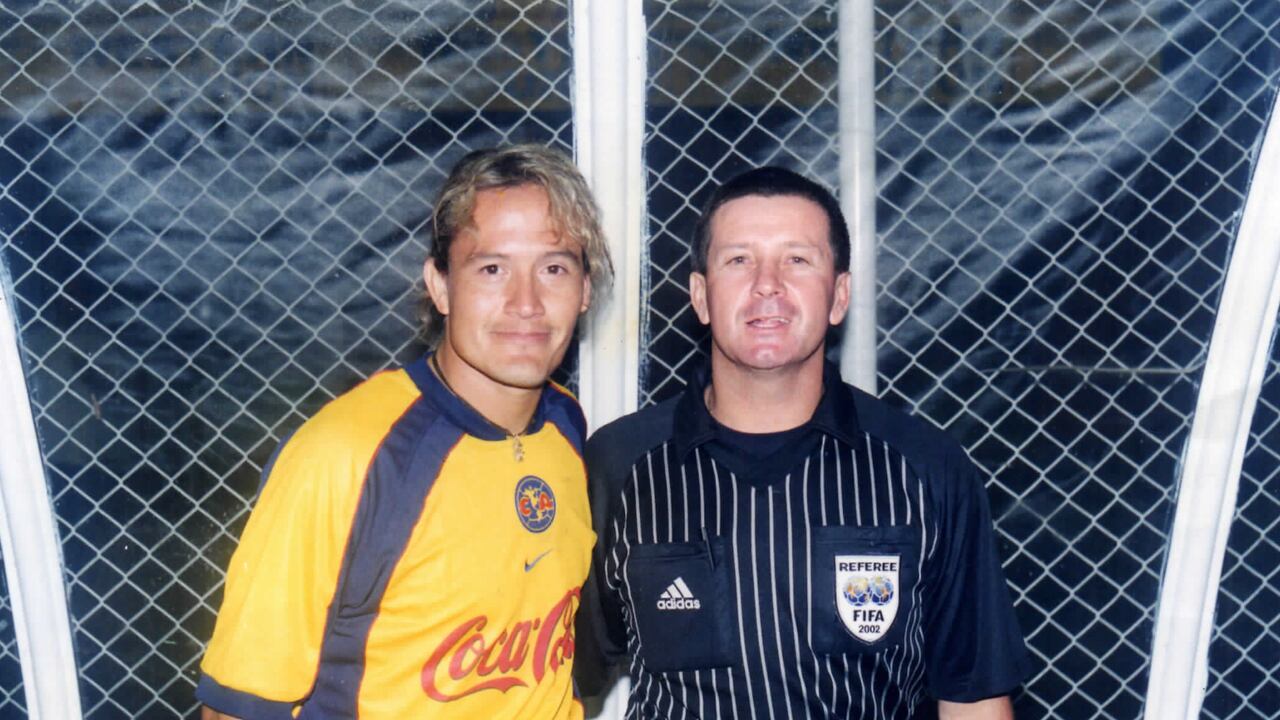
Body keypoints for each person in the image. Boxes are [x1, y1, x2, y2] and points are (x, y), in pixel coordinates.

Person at [576, 167, 1031, 719]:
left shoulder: (925, 470)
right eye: (739, 259)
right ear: (700, 296)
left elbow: (974, 700)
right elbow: (560, 676)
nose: (767, 283)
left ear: (839, 295)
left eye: (797, 259)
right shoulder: (620, 466)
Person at [197, 144, 612, 719]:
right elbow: (236, 709)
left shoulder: (565, 426)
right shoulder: (345, 455)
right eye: (492, 269)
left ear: (585, 291)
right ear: (440, 286)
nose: (527, 303)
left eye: (554, 268)